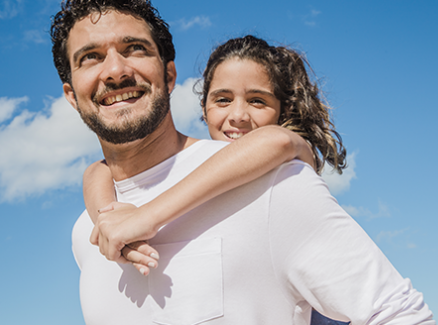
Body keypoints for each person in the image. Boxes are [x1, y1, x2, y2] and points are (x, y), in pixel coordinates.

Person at [51, 0, 436, 324]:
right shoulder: (87, 232)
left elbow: (398, 313)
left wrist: (149, 214)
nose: (116, 70)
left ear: (169, 75)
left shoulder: (268, 183)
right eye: (91, 57)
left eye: (134, 48)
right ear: (70, 93)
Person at [82, 35, 346, 276]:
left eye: (257, 101)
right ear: (204, 107)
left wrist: (146, 217)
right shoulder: (199, 159)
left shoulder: (289, 163)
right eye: (223, 100)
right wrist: (110, 225)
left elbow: (274, 140)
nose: (238, 115)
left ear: (283, 111)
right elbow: (98, 170)